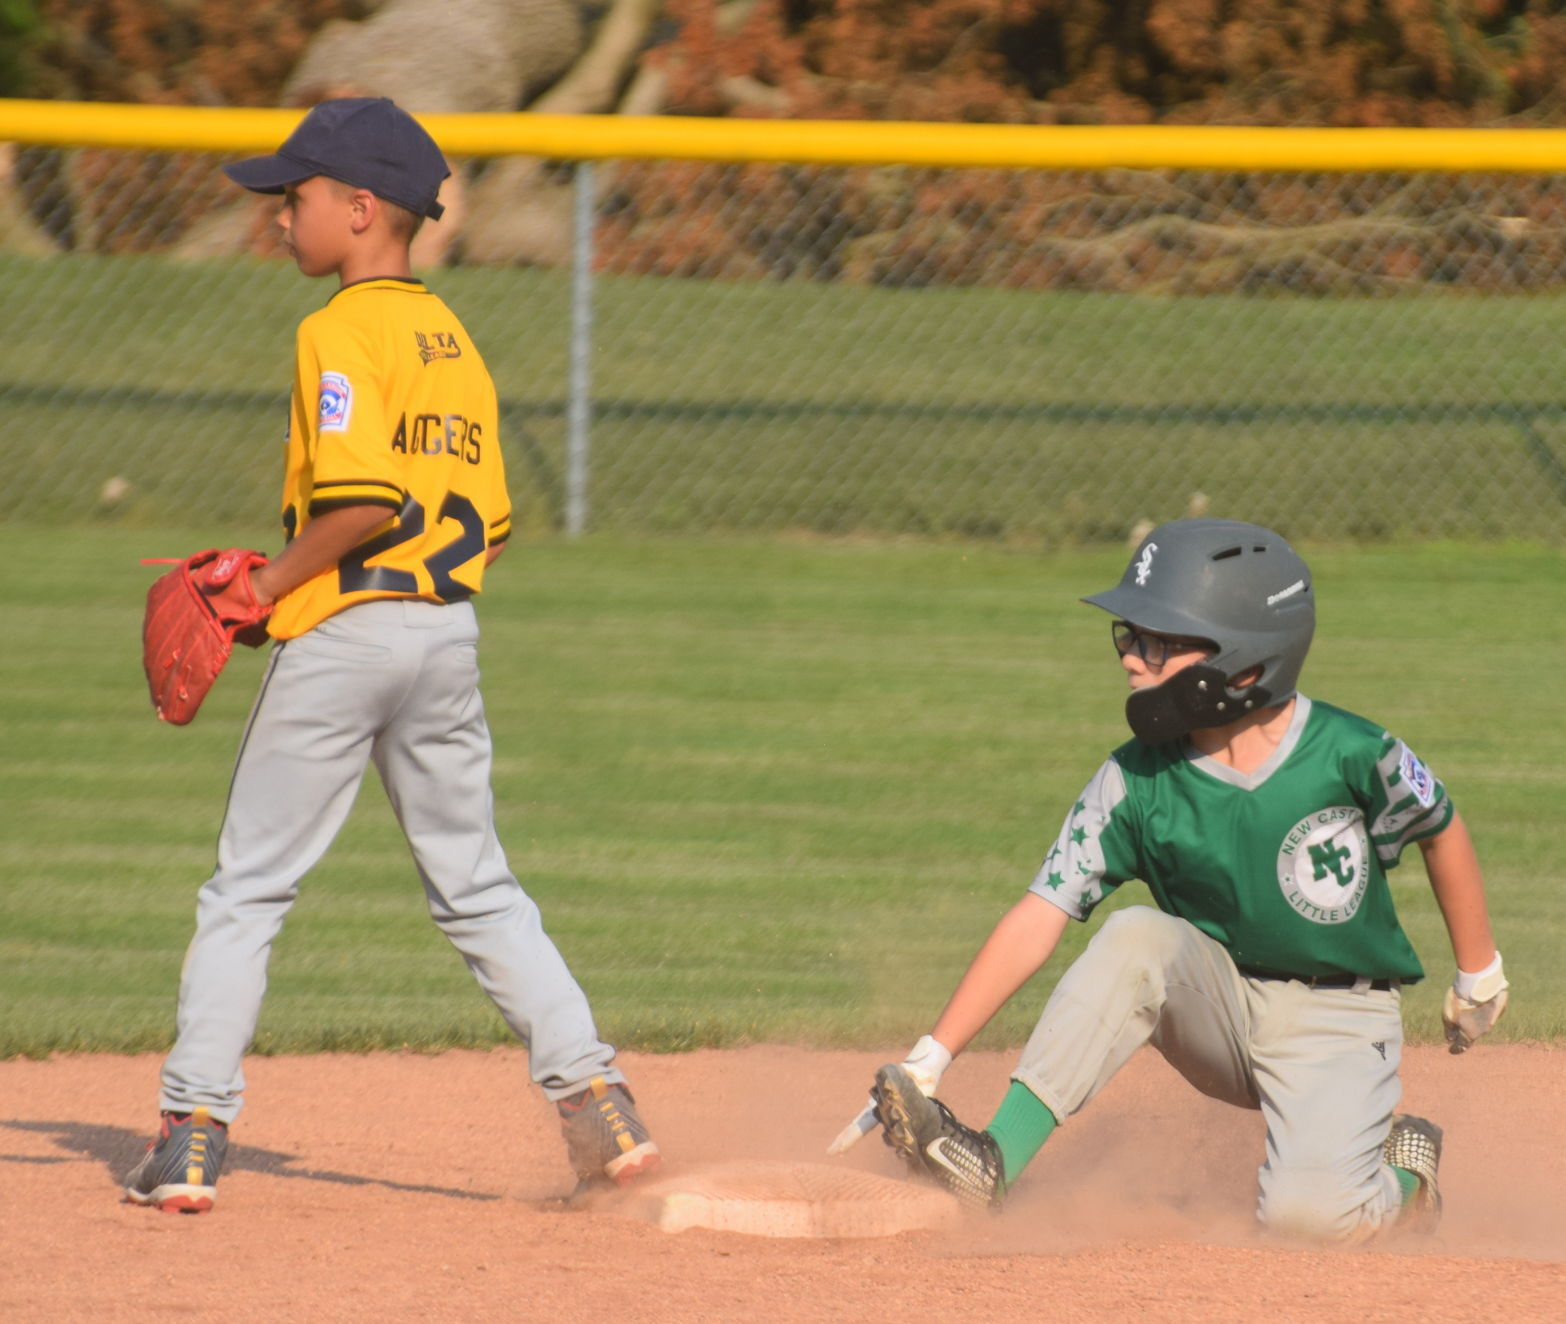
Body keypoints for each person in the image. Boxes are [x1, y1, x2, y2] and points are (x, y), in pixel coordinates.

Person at [124, 97, 659, 1213]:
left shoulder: (338, 329)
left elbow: (362, 500)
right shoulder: (455, 340)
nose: (280, 217)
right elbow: (491, 524)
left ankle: (189, 1130)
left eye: (297, 196)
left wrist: (270, 587)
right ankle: (597, 1099)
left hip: (347, 638)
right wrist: (333, 595)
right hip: (445, 633)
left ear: (360, 210)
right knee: (475, 883)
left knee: (248, 887)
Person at [840, 518, 1508, 1242]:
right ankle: (994, 1160)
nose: (1131, 659)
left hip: (1339, 1025)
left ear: (1246, 666)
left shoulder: (1350, 751)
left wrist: (1479, 972)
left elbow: (1440, 827)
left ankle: (1406, 1170)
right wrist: (932, 1056)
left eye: (1159, 642)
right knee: (1134, 937)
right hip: (1216, 1005)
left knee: (1307, 1224)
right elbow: (1040, 914)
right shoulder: (1134, 780)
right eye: (1130, 636)